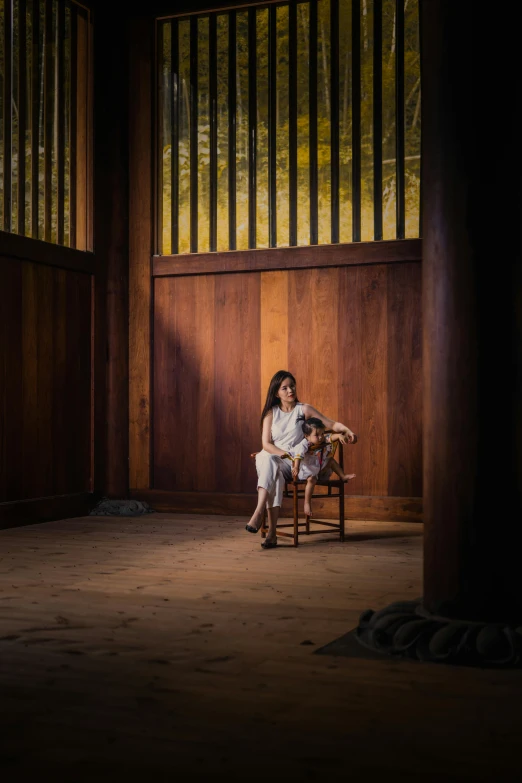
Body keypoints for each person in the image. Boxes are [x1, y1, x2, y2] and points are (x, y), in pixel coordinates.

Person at [245, 370, 357, 549]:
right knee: (268, 461)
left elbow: (331, 424)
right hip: (275, 457)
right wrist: (282, 453)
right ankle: (270, 530)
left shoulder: (303, 409)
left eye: (292, 386)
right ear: (276, 393)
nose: (290, 390)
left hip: (294, 463)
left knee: (270, 466)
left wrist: (347, 431)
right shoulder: (270, 413)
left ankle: (259, 513)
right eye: (285, 388)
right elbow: (266, 444)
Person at [286, 417, 356, 518]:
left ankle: (343, 476)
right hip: (307, 471)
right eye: (316, 435)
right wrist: (296, 467)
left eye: (322, 433)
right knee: (312, 479)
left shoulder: (322, 439)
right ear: (307, 436)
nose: (320, 437)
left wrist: (339, 436)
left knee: (330, 460)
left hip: (318, 468)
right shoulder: (304, 444)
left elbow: (331, 437)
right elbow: (298, 456)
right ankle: (307, 503)